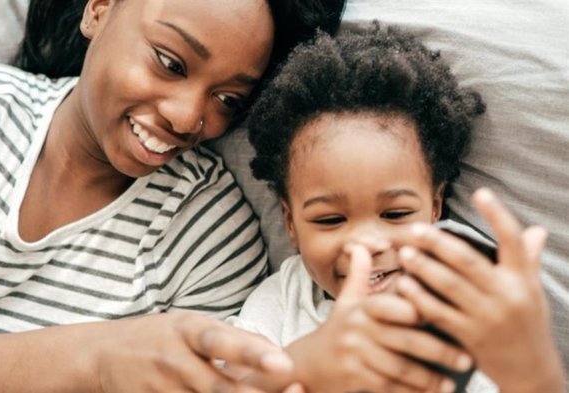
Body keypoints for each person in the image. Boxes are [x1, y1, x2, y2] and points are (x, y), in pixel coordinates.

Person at [0, 0, 345, 391]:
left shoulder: (208, 232)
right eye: (170, 62)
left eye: (227, 100)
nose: (188, 119)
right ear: (99, 9)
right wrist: (98, 360)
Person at [231, 24, 565, 392]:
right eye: (330, 219)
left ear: (435, 206)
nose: (366, 244)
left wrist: (533, 372)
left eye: (395, 215)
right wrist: (302, 366)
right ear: (289, 223)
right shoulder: (281, 305)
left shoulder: (472, 297)